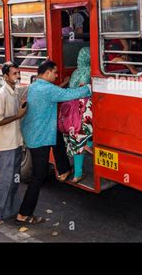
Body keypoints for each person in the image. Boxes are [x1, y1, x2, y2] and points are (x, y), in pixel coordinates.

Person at [16, 60, 91, 225]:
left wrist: (64, 83)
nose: (57, 75)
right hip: (40, 139)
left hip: (34, 133)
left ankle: (64, 170)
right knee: (38, 176)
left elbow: (58, 91)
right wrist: (89, 88)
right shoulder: (47, 89)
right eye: (55, 72)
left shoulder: (35, 85)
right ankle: (24, 213)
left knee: (58, 137)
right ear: (48, 72)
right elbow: (68, 95)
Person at [0, 62, 27, 227]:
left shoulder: (14, 91)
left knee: (13, 180)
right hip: (5, 145)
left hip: (15, 142)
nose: (17, 76)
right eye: (14, 74)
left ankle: (9, 211)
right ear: (5, 77)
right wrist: (18, 115)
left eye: (18, 73)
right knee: (2, 180)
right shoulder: (1, 95)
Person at [63, 47, 93, 183]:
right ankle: (89, 144)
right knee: (87, 133)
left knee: (76, 137)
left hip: (72, 108)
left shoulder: (76, 72)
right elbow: (84, 89)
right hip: (85, 108)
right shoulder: (91, 71)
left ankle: (78, 174)